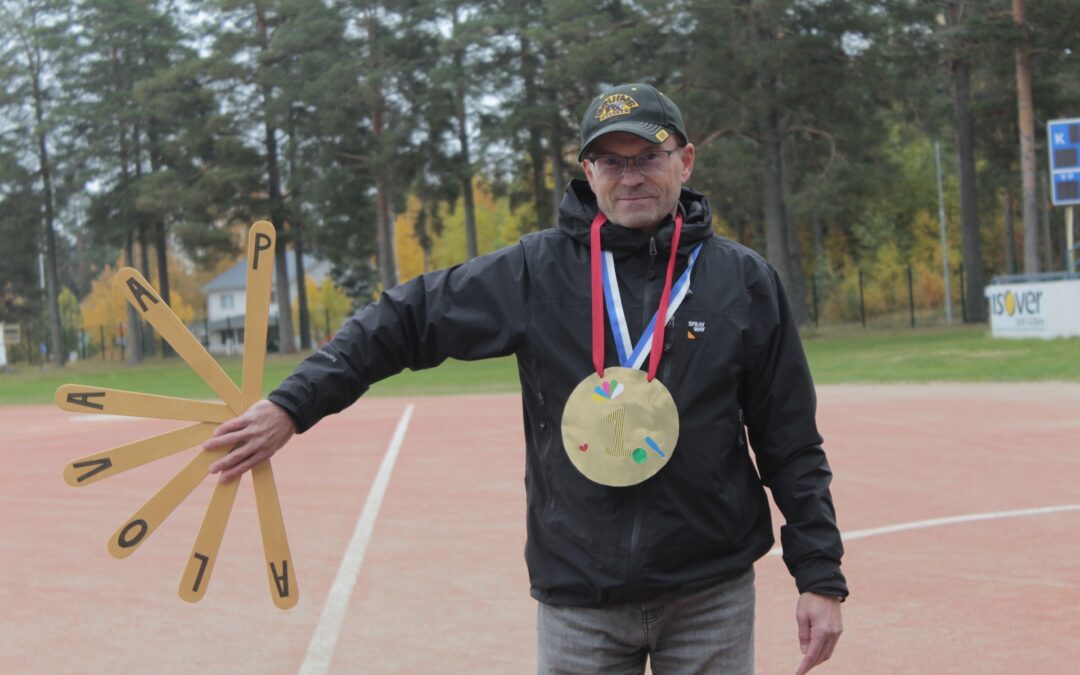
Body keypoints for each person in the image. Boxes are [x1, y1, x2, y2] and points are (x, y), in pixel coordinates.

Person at [206, 82, 847, 674]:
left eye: (647, 157)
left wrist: (819, 576)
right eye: (611, 162)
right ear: (588, 172)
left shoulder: (742, 281)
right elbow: (404, 319)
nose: (631, 177)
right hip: (580, 599)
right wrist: (293, 405)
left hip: (712, 592)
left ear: (685, 161)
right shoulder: (535, 273)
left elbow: (788, 437)